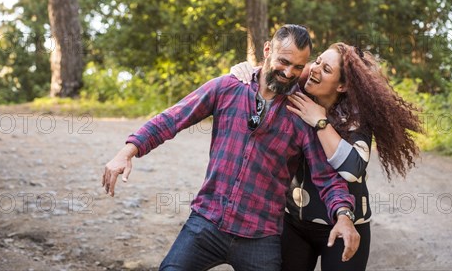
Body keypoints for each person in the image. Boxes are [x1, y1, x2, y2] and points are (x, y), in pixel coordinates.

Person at [102, 25, 360, 271]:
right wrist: (127, 151)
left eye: (298, 67)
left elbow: (326, 177)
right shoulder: (228, 87)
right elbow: (172, 119)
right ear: (267, 50)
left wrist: (344, 217)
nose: (289, 72)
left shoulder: (302, 112)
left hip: (261, 236)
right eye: (284, 61)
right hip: (207, 223)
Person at [231, 42, 422, 270]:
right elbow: (272, 75)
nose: (315, 69)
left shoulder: (355, 117)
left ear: (342, 86)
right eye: (318, 61)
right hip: (294, 222)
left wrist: (320, 122)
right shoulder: (297, 95)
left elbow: (352, 169)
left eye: (326, 69)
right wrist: (245, 70)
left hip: (346, 225)